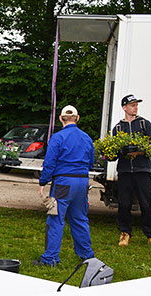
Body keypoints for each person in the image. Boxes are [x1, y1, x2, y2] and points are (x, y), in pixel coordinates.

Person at [33, 105, 96, 266]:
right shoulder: (87, 138)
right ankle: (87, 256)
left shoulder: (57, 137)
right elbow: (91, 162)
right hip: (82, 182)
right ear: (77, 118)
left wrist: (43, 181)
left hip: (63, 183)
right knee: (80, 218)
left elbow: (50, 162)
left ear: (61, 119)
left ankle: (50, 259)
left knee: (55, 220)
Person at [114, 94, 151, 250]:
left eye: (136, 105)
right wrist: (112, 153)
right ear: (124, 107)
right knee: (124, 203)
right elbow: (115, 151)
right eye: (132, 105)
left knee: (147, 203)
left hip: (142, 170)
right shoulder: (117, 128)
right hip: (124, 171)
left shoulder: (144, 124)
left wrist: (140, 153)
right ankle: (125, 233)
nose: (135, 107)